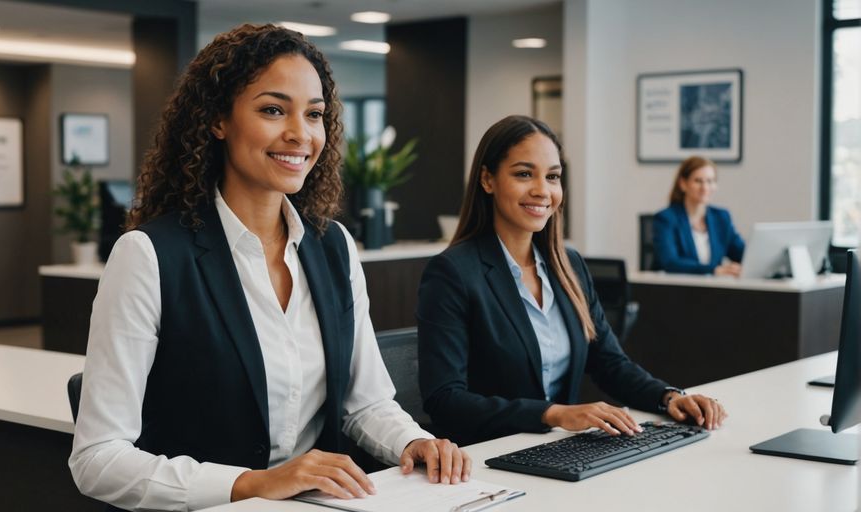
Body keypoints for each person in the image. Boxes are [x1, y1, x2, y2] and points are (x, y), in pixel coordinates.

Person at [69, 24, 470, 512]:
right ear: (219, 120)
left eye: (315, 114)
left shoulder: (333, 247)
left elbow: (365, 403)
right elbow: (97, 459)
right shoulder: (149, 256)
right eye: (273, 110)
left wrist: (412, 441)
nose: (300, 134)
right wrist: (250, 484)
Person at [416, 115, 727, 446]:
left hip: (555, 451)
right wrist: (552, 413)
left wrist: (668, 398)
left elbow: (609, 363)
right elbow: (444, 400)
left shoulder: (569, 266)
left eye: (552, 177)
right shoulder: (453, 273)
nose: (542, 190)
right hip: (485, 460)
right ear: (487, 180)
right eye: (524, 174)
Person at [653, 156, 745, 275]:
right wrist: (714, 270)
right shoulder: (666, 218)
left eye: (710, 181)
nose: (705, 187)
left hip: (714, 289)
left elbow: (741, 254)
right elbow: (671, 262)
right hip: (678, 289)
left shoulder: (721, 217)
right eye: (698, 181)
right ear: (683, 184)